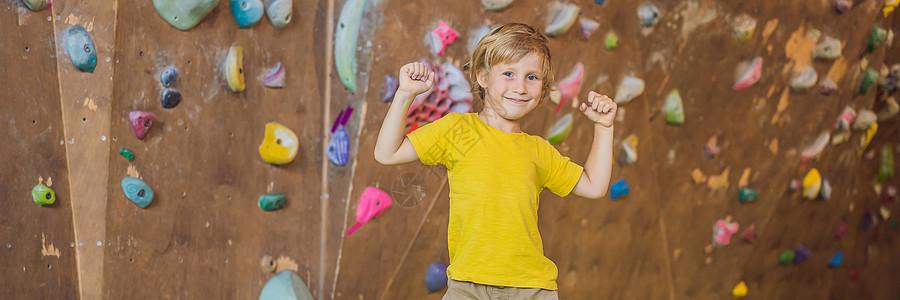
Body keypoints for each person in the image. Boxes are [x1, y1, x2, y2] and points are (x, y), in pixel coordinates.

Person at [374, 23, 615, 299]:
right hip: (467, 285)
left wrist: (605, 127)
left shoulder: (539, 151)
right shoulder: (457, 130)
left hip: (531, 289)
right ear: (483, 77)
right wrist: (405, 94)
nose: (521, 87)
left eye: (532, 77)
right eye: (509, 73)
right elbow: (386, 153)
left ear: (544, 87)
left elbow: (594, 186)